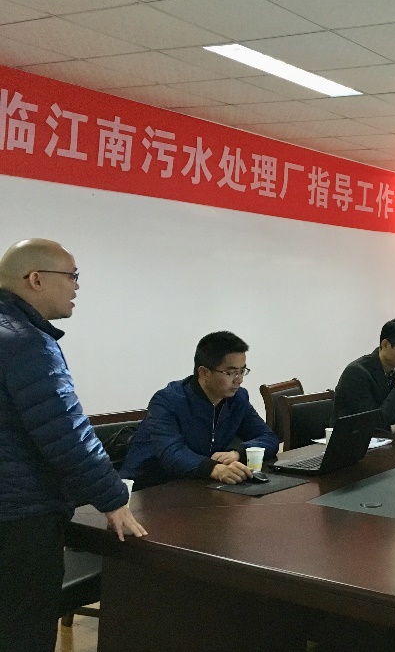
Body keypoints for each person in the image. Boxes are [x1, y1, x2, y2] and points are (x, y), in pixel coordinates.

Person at [0, 239, 147, 652]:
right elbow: (66, 433)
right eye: (72, 276)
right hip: (20, 519)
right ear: (35, 279)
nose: (77, 286)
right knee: (23, 632)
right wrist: (113, 500)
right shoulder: (26, 342)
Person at [121, 331, 277, 490]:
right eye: (231, 372)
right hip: (148, 489)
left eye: (242, 371)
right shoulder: (167, 401)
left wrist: (238, 453)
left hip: (198, 484)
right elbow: (172, 454)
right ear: (204, 373)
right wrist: (214, 469)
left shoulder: (237, 399)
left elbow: (268, 437)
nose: (240, 379)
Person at [333, 318, 395, 429]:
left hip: (385, 436)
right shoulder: (356, 373)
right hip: (351, 436)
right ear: (385, 344)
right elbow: (374, 423)